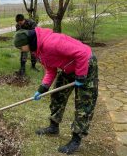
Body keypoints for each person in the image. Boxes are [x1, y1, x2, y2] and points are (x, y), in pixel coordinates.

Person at [14, 27, 99, 155]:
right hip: (69, 67)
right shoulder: (38, 50)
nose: (21, 50)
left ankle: (76, 138)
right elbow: (51, 69)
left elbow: (83, 52)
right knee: (57, 95)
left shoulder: (52, 42)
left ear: (27, 43)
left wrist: (81, 76)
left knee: (84, 104)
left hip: (86, 64)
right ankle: (53, 126)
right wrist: (42, 89)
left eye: (20, 48)